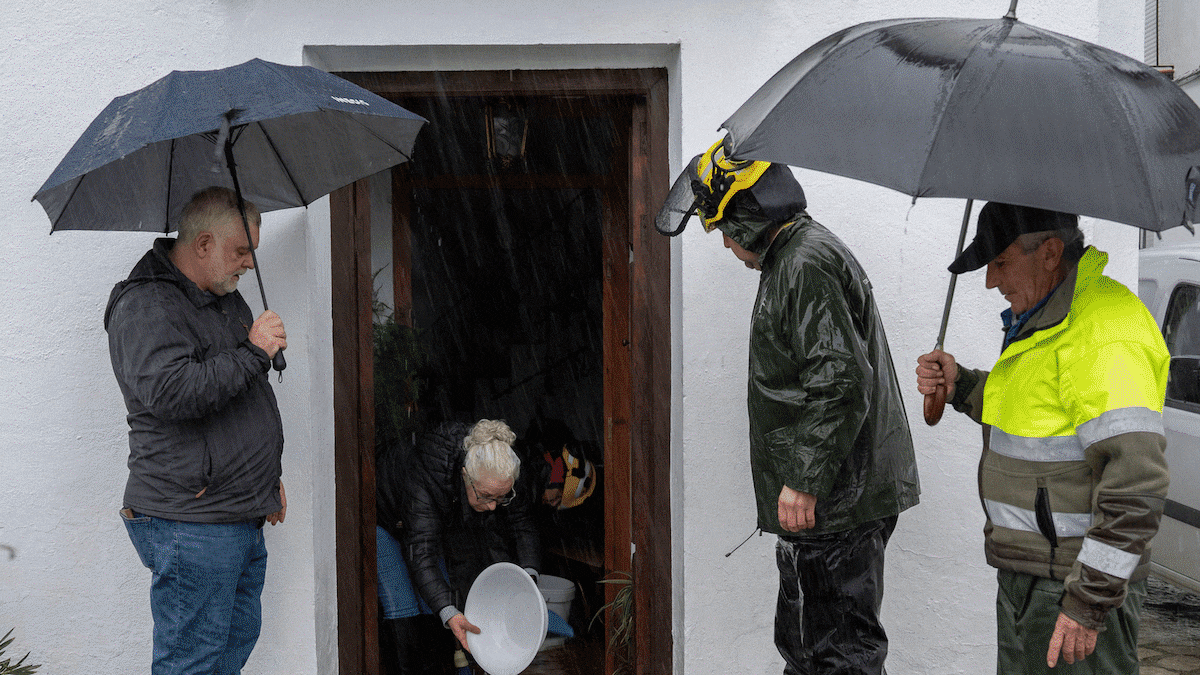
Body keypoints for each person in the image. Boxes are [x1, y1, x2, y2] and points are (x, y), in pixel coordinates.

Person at [660, 138, 920, 674]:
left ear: (747, 215)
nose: (726, 244)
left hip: (838, 506)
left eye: (724, 229)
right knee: (809, 651)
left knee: (837, 658)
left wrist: (803, 480)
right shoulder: (794, 259)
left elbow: (841, 381)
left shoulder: (804, 263)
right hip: (833, 505)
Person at [915, 202, 1170, 674]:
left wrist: (1088, 602)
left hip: (1070, 587)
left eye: (1000, 262)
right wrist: (962, 386)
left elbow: (1138, 485)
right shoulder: (1048, 320)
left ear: (1050, 253)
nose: (991, 281)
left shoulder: (1105, 332)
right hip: (1031, 581)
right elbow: (1035, 413)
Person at [105, 186, 288, 675]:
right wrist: (255, 352)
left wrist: (266, 479)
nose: (249, 263)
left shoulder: (223, 299)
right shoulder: (146, 305)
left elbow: (242, 398)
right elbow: (172, 393)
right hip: (191, 519)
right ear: (204, 244)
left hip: (235, 511)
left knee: (229, 651)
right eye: (242, 250)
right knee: (191, 663)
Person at [402, 419, 541, 660]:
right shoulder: (429, 470)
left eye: (501, 498)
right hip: (387, 516)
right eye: (486, 496)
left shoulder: (506, 467)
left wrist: (527, 580)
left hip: (448, 511)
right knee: (404, 600)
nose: (492, 507)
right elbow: (421, 550)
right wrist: (448, 612)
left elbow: (522, 523)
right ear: (465, 475)